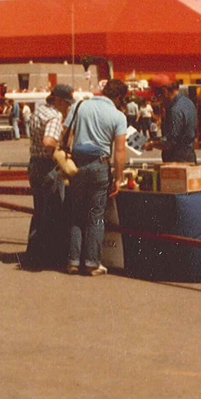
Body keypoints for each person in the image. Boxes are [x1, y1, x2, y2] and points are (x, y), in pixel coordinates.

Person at [60, 79, 129, 276]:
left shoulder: (80, 106)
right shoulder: (118, 116)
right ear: (118, 97)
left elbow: (65, 133)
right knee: (95, 216)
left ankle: (72, 261)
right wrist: (118, 177)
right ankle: (92, 263)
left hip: (77, 164)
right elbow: (120, 150)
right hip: (100, 164)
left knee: (76, 214)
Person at [25, 85, 73, 268]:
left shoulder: (39, 111)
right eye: (66, 103)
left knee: (39, 211)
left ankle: (33, 253)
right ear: (58, 100)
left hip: (34, 163)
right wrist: (59, 146)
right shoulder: (54, 116)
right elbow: (48, 141)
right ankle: (48, 257)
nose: (67, 107)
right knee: (53, 212)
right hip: (48, 167)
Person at [149, 75, 197, 163]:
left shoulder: (175, 110)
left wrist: (151, 144)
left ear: (164, 91)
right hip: (189, 154)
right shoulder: (187, 102)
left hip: (177, 159)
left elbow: (171, 141)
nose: (157, 99)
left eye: (157, 95)